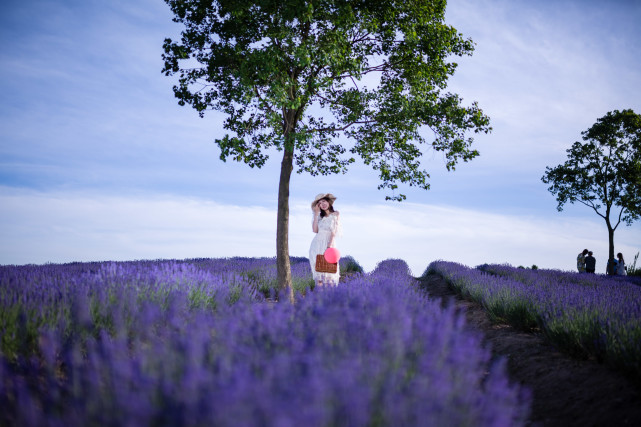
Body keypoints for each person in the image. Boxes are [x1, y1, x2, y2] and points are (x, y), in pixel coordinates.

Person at [309, 193, 342, 287]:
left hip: (328, 244)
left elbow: (334, 231)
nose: (322, 204)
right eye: (319, 203)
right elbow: (315, 230)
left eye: (323, 201)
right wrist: (316, 214)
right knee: (319, 276)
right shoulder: (319, 217)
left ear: (328, 201)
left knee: (330, 275)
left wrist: (329, 246)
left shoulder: (336, 214)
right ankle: (319, 299)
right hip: (316, 245)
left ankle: (330, 299)